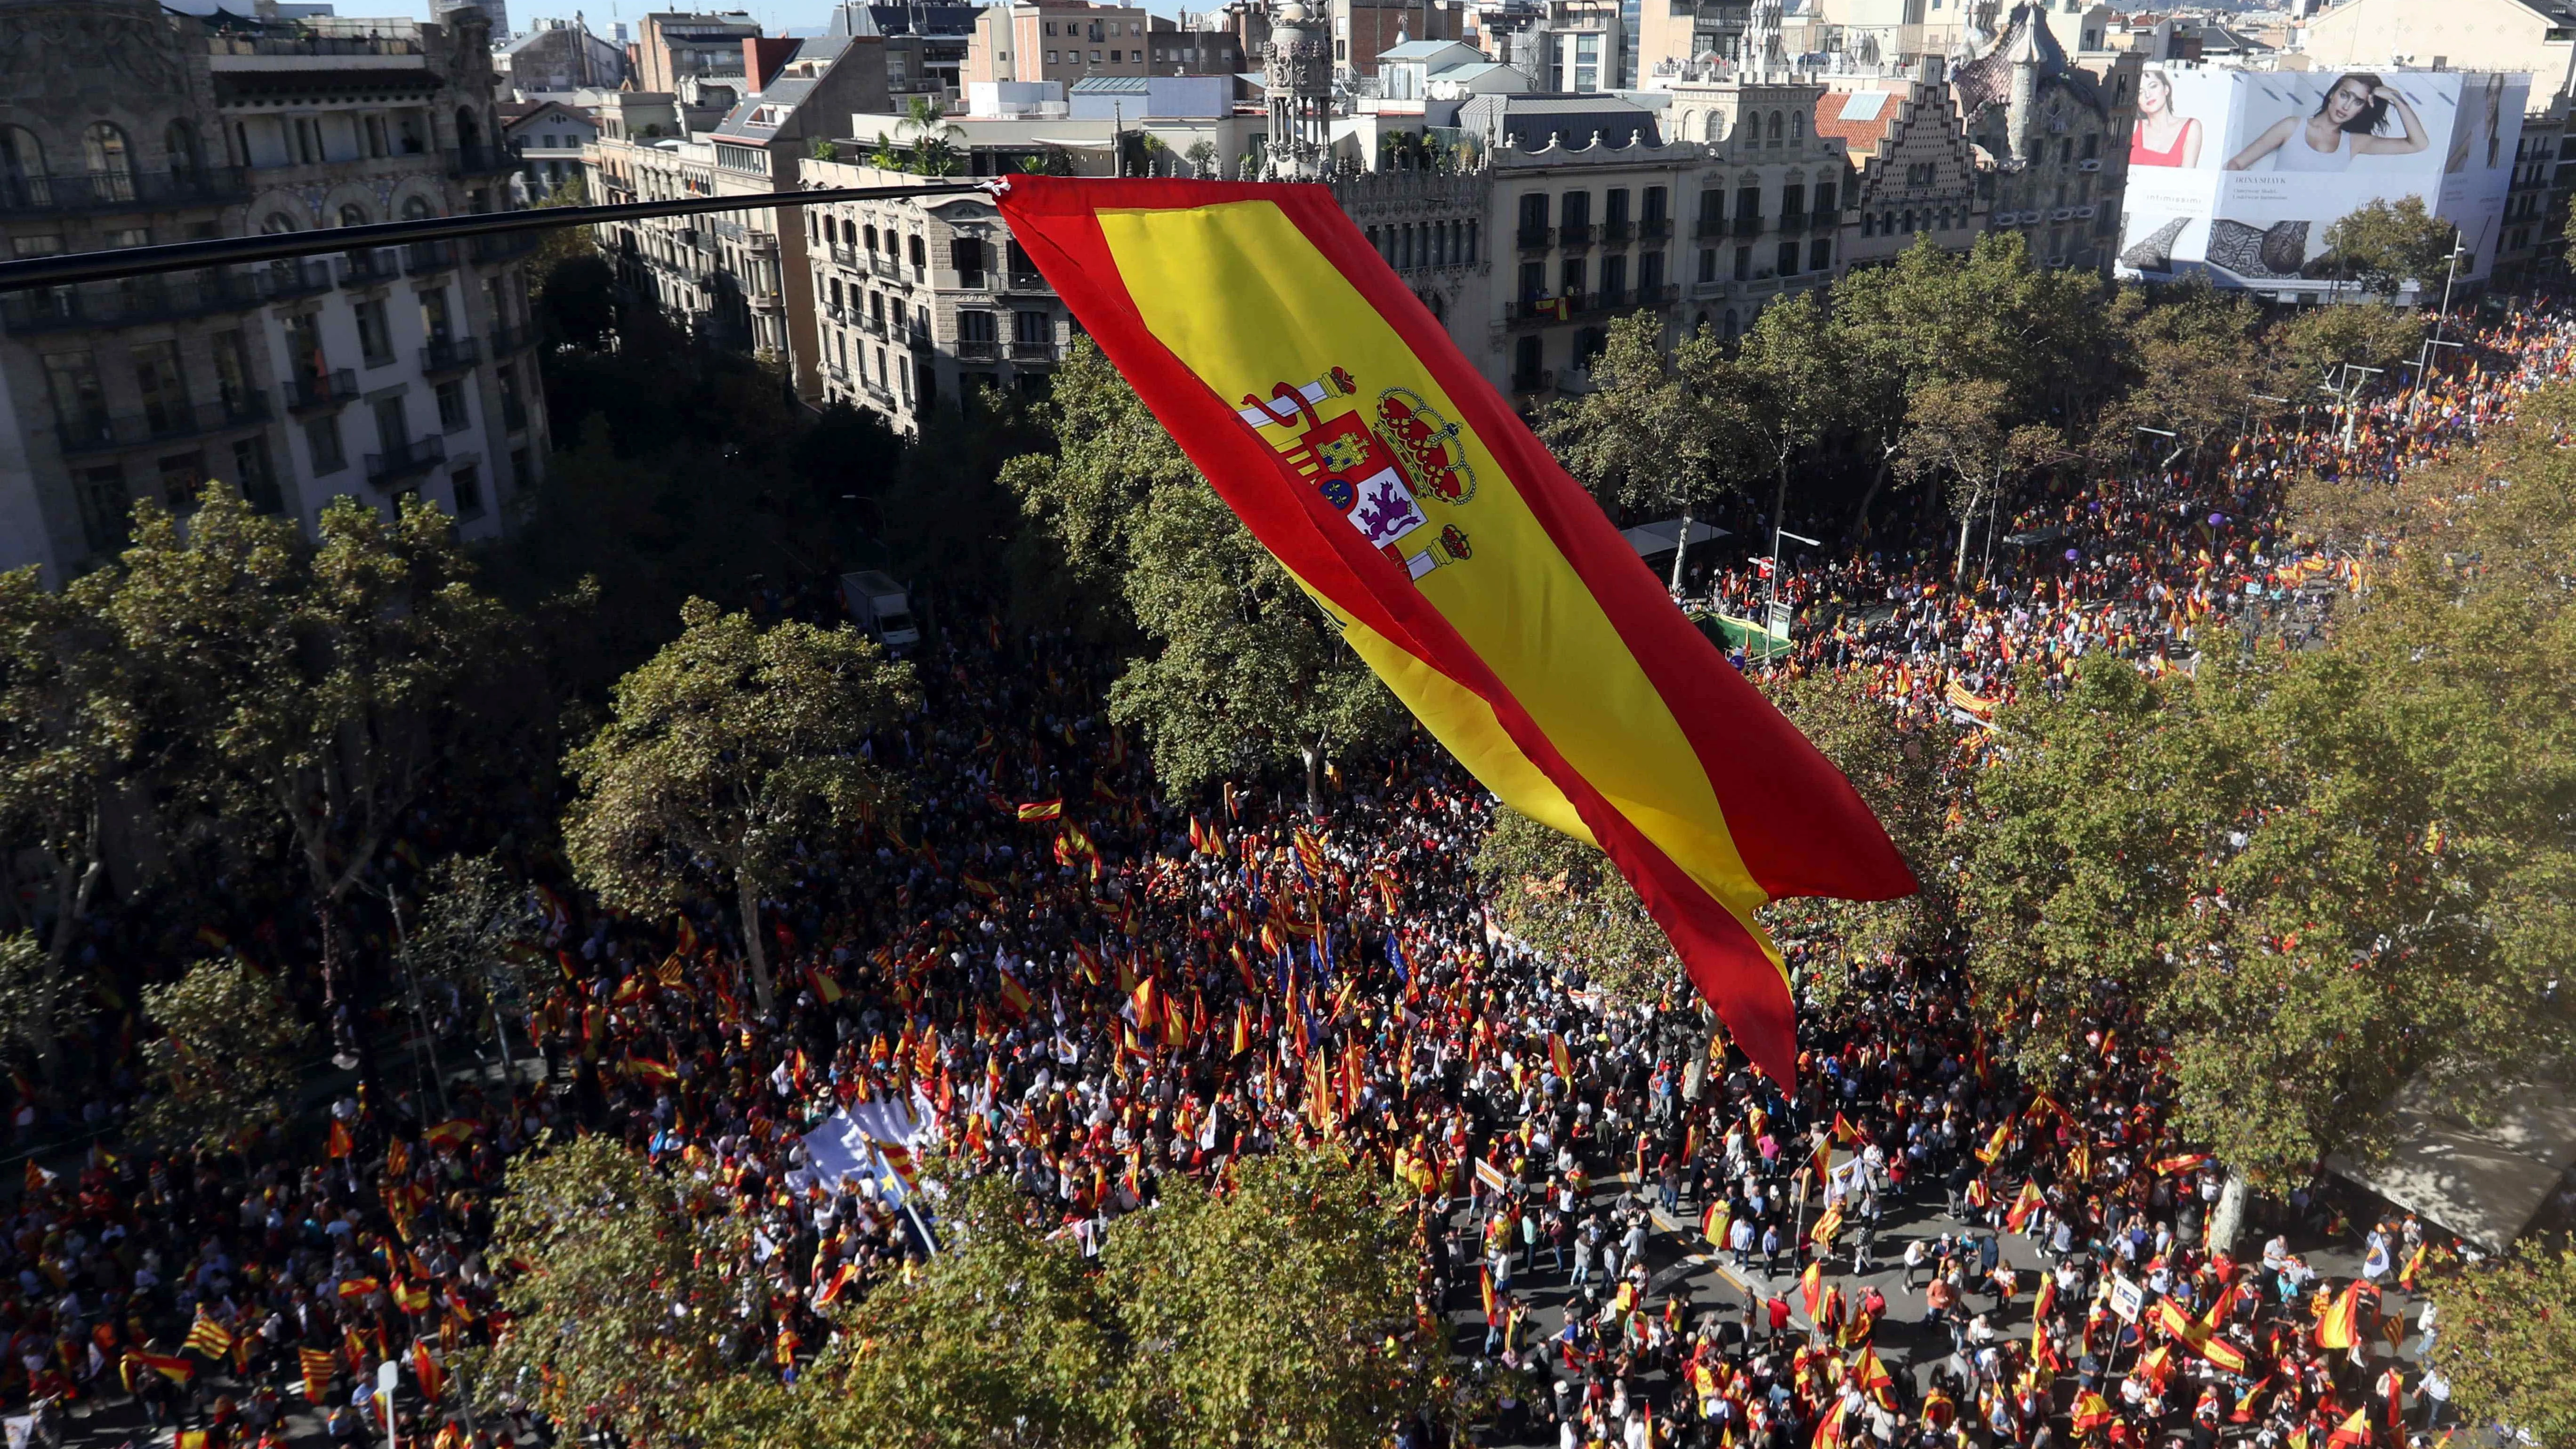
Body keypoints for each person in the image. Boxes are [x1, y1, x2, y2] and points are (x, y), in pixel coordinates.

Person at [2228, 72, 2428, 171]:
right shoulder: (2292, 127)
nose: (2346, 106)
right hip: (2268, 218)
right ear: (2333, 94)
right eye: (2345, 95)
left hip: (2313, 231)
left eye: (2357, 102)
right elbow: (2236, 164)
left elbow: (2419, 144)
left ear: (2362, 109)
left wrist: (2396, 98)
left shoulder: (2355, 142)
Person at [2130, 69, 2204, 167]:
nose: (2148, 95)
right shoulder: (2133, 127)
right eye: (2140, 92)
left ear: (2166, 89)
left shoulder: (2191, 127)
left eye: (2153, 86)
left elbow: (2187, 177)